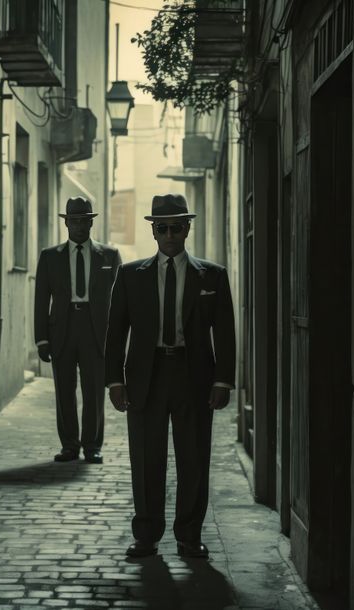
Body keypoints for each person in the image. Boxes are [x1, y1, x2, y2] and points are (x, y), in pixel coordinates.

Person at [104, 193, 236, 559]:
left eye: (176, 227)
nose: (170, 235)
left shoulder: (212, 275)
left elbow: (224, 331)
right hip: (147, 375)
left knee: (194, 457)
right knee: (147, 459)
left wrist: (223, 380)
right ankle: (146, 535)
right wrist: (115, 380)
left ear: (187, 228)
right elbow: (116, 331)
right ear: (153, 230)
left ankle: (189, 536)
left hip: (193, 374)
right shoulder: (131, 275)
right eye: (162, 228)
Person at [33, 197, 122, 464]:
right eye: (74, 221)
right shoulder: (50, 257)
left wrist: (116, 340)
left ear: (91, 222)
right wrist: (41, 339)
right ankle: (69, 445)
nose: (79, 226)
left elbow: (119, 302)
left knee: (94, 390)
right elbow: (40, 299)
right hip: (62, 328)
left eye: (84, 220)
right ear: (66, 223)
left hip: (96, 330)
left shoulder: (109, 255)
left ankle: (92, 445)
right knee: (64, 389)